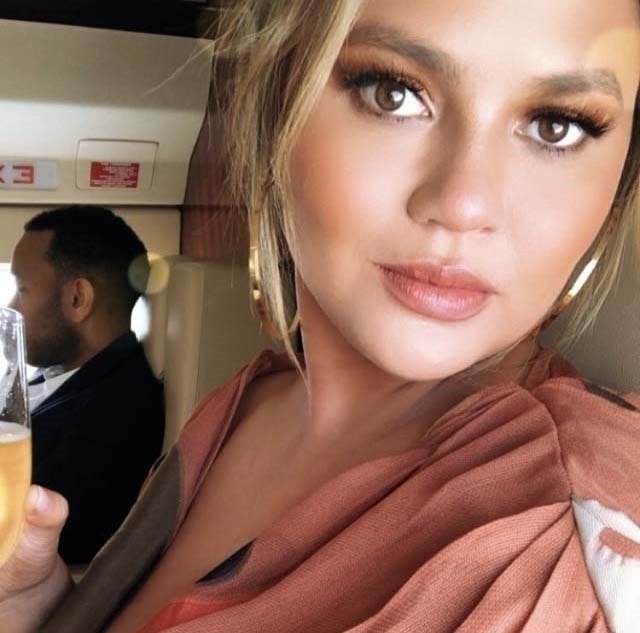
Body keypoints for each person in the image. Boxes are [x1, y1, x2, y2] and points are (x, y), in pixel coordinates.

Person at [1, 1, 640, 631]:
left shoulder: (566, 553)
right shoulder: (239, 404)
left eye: (557, 126)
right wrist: (39, 606)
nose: (462, 205)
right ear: (277, 111)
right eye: (393, 94)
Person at [8, 205, 165, 565]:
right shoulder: (66, 373)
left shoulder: (113, 418)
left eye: (22, 289)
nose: (12, 307)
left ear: (78, 299)